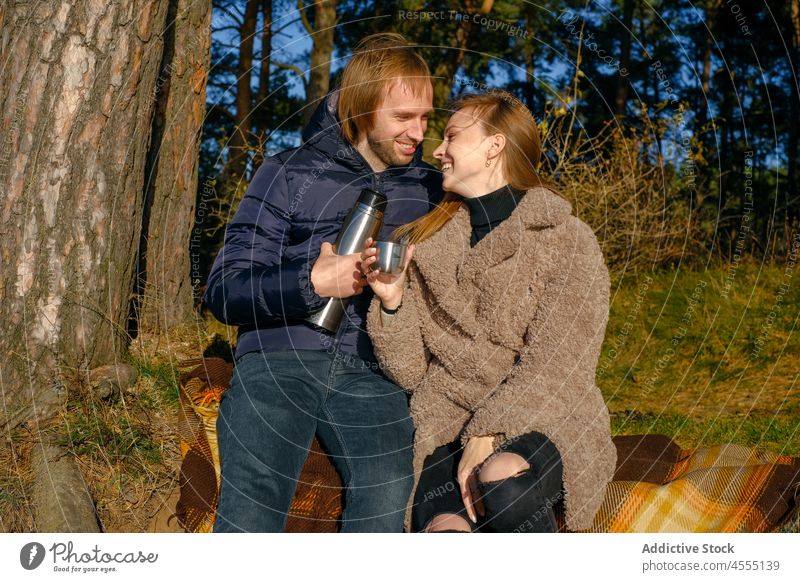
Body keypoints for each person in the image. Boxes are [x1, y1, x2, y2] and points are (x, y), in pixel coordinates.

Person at [203, 33, 442, 532]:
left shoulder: (430, 191)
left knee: (388, 492)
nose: (418, 132)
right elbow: (224, 288)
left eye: (424, 117)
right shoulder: (287, 171)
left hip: (372, 369)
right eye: (403, 117)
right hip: (278, 356)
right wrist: (310, 281)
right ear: (363, 105)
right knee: (256, 497)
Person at [361, 90, 617, 533]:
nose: (437, 149)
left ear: (495, 145)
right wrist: (392, 302)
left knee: (501, 478)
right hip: (446, 416)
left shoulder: (565, 239)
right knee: (445, 531)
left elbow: (561, 364)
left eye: (453, 137)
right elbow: (410, 373)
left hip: (547, 410)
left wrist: (489, 433)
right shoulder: (428, 244)